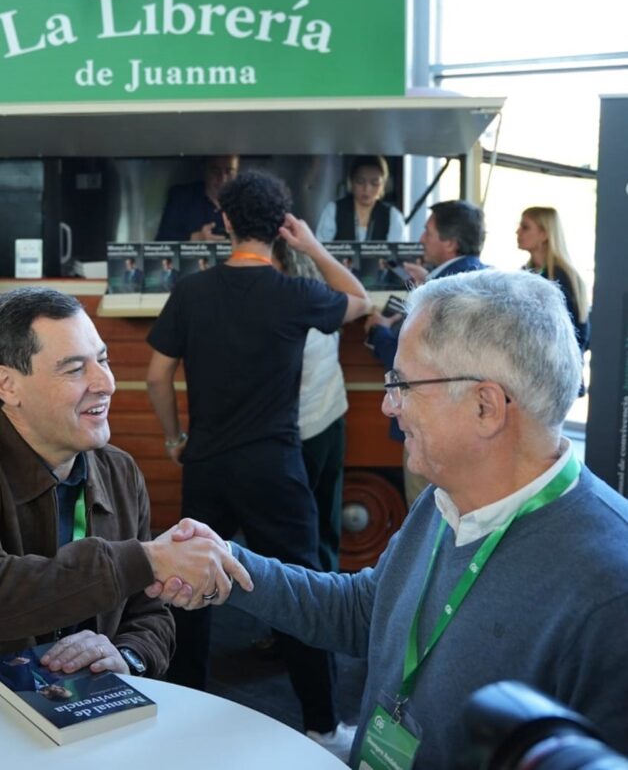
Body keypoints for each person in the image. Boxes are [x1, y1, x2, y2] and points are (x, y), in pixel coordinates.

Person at [158, 269, 628, 769]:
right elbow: (371, 612)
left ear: (486, 407)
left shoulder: (609, 588)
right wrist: (228, 566)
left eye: (402, 384)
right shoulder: (446, 497)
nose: (388, 405)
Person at [0, 287, 251, 679]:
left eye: (103, 360)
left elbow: (149, 614)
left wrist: (128, 656)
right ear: (7, 385)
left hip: (83, 709)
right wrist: (147, 559)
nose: (105, 383)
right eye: (74, 369)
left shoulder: (120, 471)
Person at [145, 171, 370, 752]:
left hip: (209, 462)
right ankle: (321, 726)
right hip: (274, 467)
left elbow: (156, 374)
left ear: (224, 223)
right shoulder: (295, 294)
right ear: (280, 228)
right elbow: (360, 301)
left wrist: (174, 439)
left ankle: (179, 719)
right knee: (302, 593)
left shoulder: (193, 291)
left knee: (191, 591)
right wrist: (312, 247)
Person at [365, 199, 487, 506]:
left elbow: (414, 364)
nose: (420, 239)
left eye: (428, 232)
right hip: (472, 427)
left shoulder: (443, 293)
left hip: (432, 428)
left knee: (427, 516)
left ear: (450, 242)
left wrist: (378, 332)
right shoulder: (483, 280)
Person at [274, 241, 348, 573]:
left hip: (299, 430)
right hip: (331, 418)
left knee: (297, 529)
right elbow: (355, 293)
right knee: (325, 521)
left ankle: (307, 608)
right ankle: (330, 592)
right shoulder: (323, 300)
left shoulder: (284, 308)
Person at [517, 206, 590, 353]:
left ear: (544, 234)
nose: (517, 231)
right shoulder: (526, 273)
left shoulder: (561, 277)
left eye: (525, 227)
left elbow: (578, 335)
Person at [315, 155, 408, 243]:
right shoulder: (333, 210)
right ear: (351, 181)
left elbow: (398, 254)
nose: (367, 189)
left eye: (374, 183)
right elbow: (319, 248)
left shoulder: (393, 216)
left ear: (383, 185)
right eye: (360, 181)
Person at [155, 154, 239, 241]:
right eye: (215, 171)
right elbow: (161, 241)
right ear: (204, 169)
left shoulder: (245, 201)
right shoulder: (182, 197)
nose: (223, 179)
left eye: (229, 172)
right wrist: (194, 238)